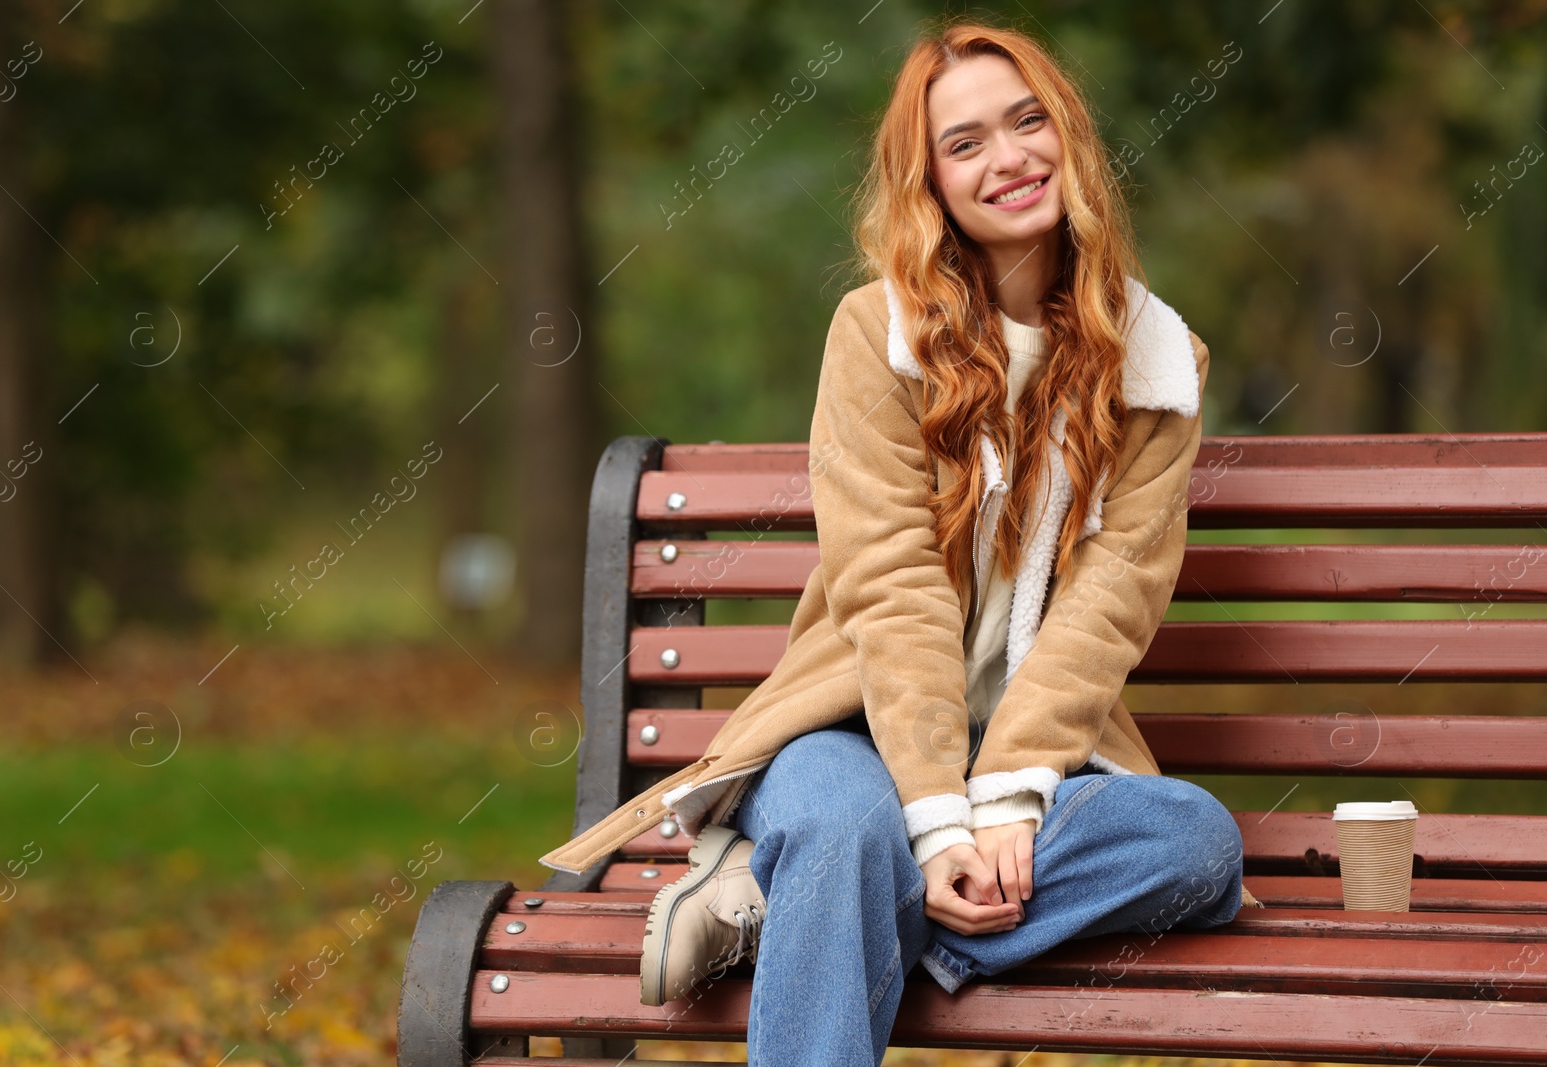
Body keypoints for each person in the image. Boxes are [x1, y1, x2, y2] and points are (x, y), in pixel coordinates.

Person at [538, 17, 1259, 1064]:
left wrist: (1005, 805)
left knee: (1195, 842)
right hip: (852, 737)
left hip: (1035, 766)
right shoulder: (873, 337)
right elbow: (892, 585)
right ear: (929, 184)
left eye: (1026, 122)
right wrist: (935, 820)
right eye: (964, 144)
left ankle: (785, 903)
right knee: (851, 829)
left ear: (1070, 138)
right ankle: (847, 874)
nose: (1008, 158)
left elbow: (1113, 599)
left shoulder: (1153, 364)